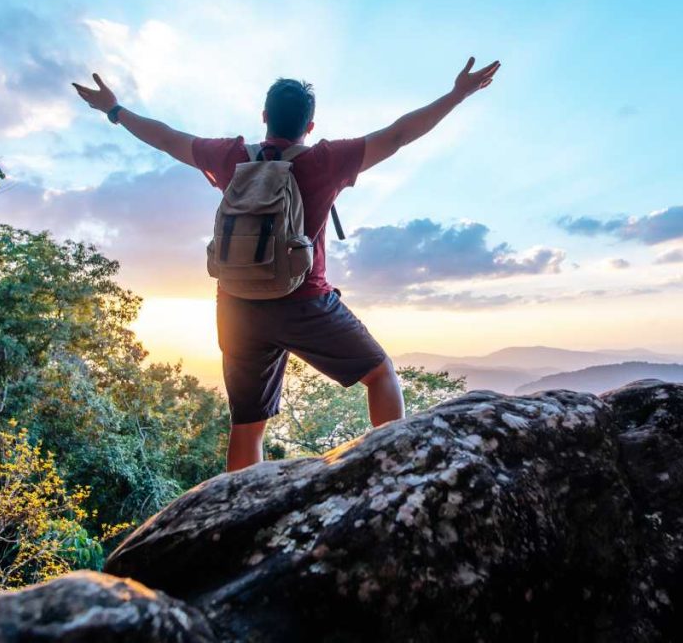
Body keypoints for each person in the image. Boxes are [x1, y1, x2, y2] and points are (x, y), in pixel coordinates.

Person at [72, 57, 500, 471]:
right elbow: (399, 134)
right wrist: (457, 95)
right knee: (381, 374)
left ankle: (236, 514)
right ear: (309, 126)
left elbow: (167, 138)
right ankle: (396, 474)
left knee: (247, 427)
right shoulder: (324, 161)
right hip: (306, 302)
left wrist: (114, 109)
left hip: (237, 306)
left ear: (264, 116)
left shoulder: (232, 156)